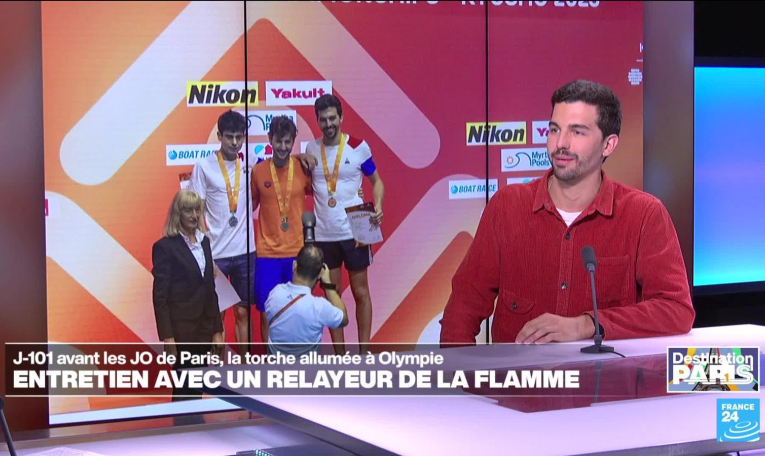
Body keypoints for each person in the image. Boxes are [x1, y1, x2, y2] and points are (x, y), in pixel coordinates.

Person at [440, 80, 695, 345]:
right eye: (554, 129)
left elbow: (675, 310)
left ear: (608, 145)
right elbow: (463, 307)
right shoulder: (507, 206)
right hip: (519, 372)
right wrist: (459, 368)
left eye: (577, 132)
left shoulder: (644, 215)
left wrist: (588, 324)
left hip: (603, 372)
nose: (561, 143)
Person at [307, 94, 385, 354]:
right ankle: (340, 357)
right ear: (317, 121)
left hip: (356, 230)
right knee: (333, 294)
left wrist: (379, 205)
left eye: (332, 118)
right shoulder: (310, 150)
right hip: (324, 234)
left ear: (341, 117)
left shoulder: (359, 147)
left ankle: (363, 354)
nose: (328, 124)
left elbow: (377, 182)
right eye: (323, 120)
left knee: (361, 292)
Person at [189, 110, 256, 356]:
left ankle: (245, 367)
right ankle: (217, 369)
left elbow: (281, 162)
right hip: (216, 254)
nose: (235, 142)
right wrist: (203, 249)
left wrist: (304, 156)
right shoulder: (204, 166)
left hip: (246, 252)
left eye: (239, 137)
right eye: (229, 137)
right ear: (219, 136)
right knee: (216, 315)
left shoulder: (251, 161)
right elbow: (196, 210)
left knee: (243, 312)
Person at [151, 189, 223, 400]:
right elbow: (160, 297)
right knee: (184, 389)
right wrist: (168, 338)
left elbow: (210, 289)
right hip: (181, 331)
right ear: (178, 213)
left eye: (197, 210)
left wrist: (217, 330)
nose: (194, 215)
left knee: (197, 387)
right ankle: (182, 421)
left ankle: (194, 419)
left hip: (204, 329)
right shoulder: (165, 247)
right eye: (188, 210)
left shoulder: (204, 242)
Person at [251, 116, 313, 344]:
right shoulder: (258, 172)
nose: (283, 147)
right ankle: (272, 360)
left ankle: (295, 358)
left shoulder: (303, 169)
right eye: (278, 141)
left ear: (294, 141)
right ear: (270, 139)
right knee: (267, 311)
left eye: (288, 142)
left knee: (298, 311)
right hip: (267, 254)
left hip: (297, 253)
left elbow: (324, 192)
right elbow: (248, 207)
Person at [265, 245, 349, 356]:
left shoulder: (274, 294)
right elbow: (343, 319)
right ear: (320, 274)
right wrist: (328, 285)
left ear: (294, 265)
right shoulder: (319, 307)